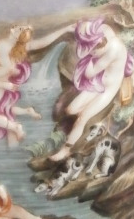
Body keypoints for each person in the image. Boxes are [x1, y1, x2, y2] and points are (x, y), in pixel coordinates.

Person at [50, 18, 129, 162]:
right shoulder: (103, 30)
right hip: (98, 82)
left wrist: (87, 56)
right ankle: (84, 122)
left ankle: (66, 150)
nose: (91, 52)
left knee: (82, 117)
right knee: (70, 110)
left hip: (108, 88)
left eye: (92, 49)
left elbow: (89, 73)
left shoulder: (113, 50)